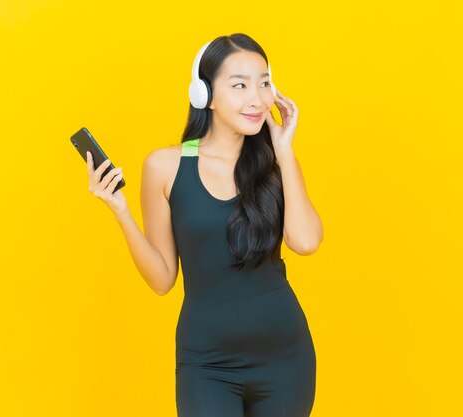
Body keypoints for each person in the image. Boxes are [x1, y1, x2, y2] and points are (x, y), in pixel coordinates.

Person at [85, 33, 323, 417]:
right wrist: (120, 210)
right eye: (240, 85)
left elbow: (307, 241)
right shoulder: (165, 167)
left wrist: (285, 152)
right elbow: (162, 279)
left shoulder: (274, 164)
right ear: (205, 95)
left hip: (286, 359)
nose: (257, 98)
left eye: (264, 83)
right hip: (207, 365)